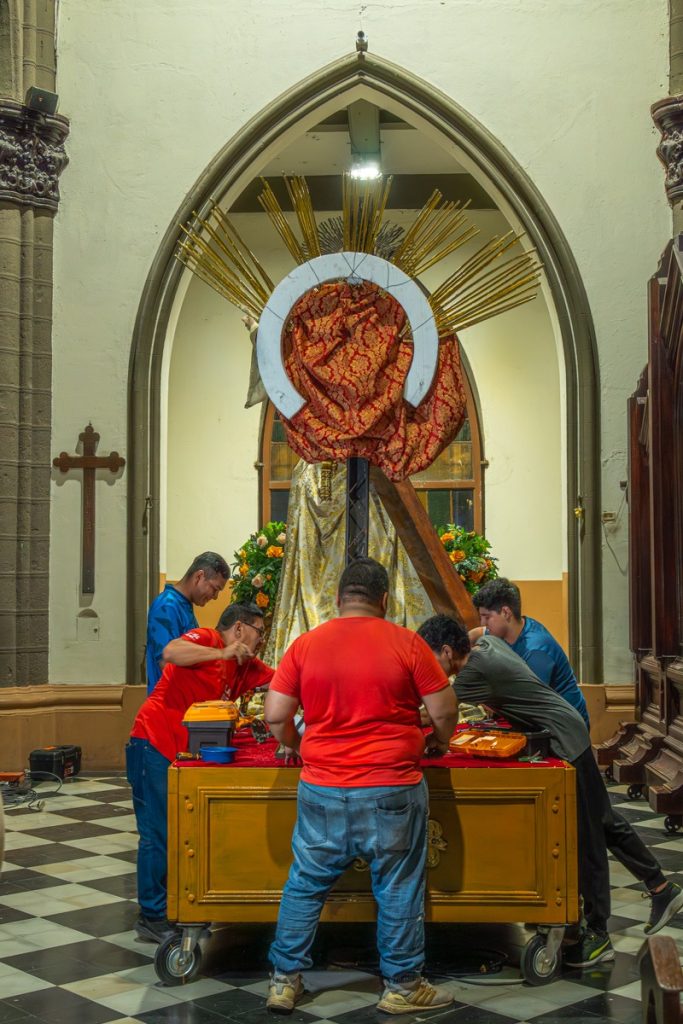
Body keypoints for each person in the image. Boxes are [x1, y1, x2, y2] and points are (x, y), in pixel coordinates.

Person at [417, 615, 683, 968]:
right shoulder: (484, 644)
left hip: (564, 739)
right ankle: (661, 888)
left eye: (430, 657)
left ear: (448, 651)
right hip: (566, 728)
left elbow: (433, 713)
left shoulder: (474, 671)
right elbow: (479, 630)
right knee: (602, 819)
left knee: (587, 836)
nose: (429, 668)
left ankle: (599, 934)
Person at [263, 557, 458, 1016]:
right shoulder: (407, 643)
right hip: (392, 785)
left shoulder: (306, 644)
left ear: (338, 598)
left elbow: (274, 715)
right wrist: (437, 742)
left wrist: (299, 744)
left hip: (322, 786)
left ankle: (284, 981)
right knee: (397, 884)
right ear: (385, 600)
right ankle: (403, 986)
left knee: (306, 883)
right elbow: (445, 710)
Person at [127, 602, 273, 943]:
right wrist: (221, 654)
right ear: (238, 629)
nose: (261, 640)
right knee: (157, 833)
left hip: (184, 756)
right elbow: (172, 651)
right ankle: (151, 915)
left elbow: (283, 680)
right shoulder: (209, 639)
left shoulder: (244, 665)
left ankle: (177, 906)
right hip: (154, 743)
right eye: (259, 632)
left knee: (182, 832)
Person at [470, 577, 589, 727]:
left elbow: (525, 705)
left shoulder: (536, 650)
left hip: (565, 729)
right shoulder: (513, 628)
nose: (483, 623)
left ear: (506, 612)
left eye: (487, 617)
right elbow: (478, 632)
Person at [145, 551, 230, 693]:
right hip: (168, 702)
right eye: (215, 589)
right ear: (199, 576)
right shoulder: (167, 606)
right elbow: (167, 662)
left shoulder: (183, 604)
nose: (215, 597)